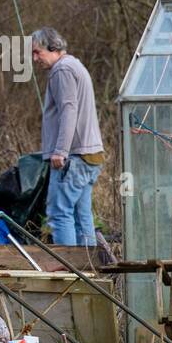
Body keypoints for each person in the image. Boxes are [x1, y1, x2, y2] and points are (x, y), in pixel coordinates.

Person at [31, 26, 105, 246]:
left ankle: (70, 271)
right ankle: (88, 270)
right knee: (81, 216)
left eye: (38, 52)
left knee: (59, 213)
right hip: (90, 155)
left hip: (73, 157)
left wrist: (60, 151)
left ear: (53, 48)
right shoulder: (75, 65)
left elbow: (69, 110)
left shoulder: (61, 70)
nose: (35, 59)